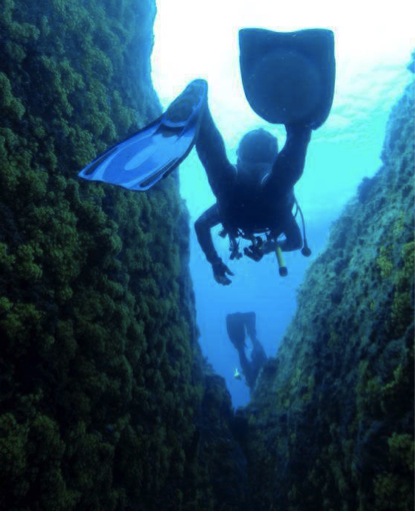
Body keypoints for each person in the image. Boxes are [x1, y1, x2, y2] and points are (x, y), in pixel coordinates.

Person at [173, 81, 312, 285]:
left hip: (238, 193)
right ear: (274, 158)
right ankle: (300, 129)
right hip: (264, 200)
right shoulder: (278, 202)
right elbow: (296, 242)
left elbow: (201, 224)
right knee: (272, 182)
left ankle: (300, 131)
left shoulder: (245, 176)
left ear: (239, 155)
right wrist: (268, 248)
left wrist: (215, 262)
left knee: (222, 168)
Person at [226, 312, 267, 390]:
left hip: (255, 379)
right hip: (259, 375)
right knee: (247, 354)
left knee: (243, 353)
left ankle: (249, 335)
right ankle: (250, 335)